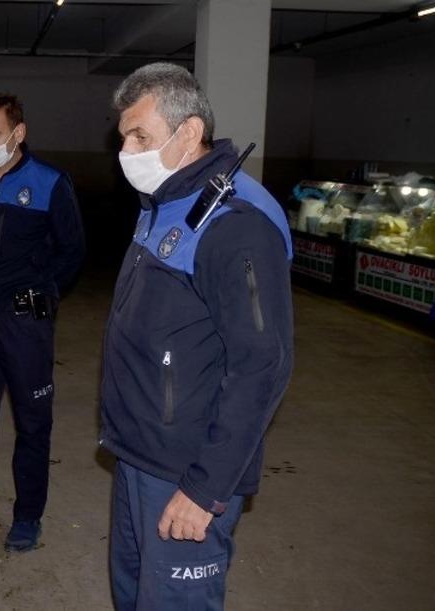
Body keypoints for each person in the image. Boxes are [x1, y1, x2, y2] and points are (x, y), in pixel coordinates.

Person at [101, 63, 294, 610]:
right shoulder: (166, 201)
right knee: (133, 593)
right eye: (124, 137)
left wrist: (205, 489)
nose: (127, 151)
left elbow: (263, 364)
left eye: (141, 136)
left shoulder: (236, 224)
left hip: (186, 468)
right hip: (140, 450)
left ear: (188, 133)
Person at [0, 93, 85, 552]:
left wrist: (43, 296)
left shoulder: (49, 183)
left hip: (25, 323)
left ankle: (27, 516)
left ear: (17, 133)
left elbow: (72, 251)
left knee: (32, 422)